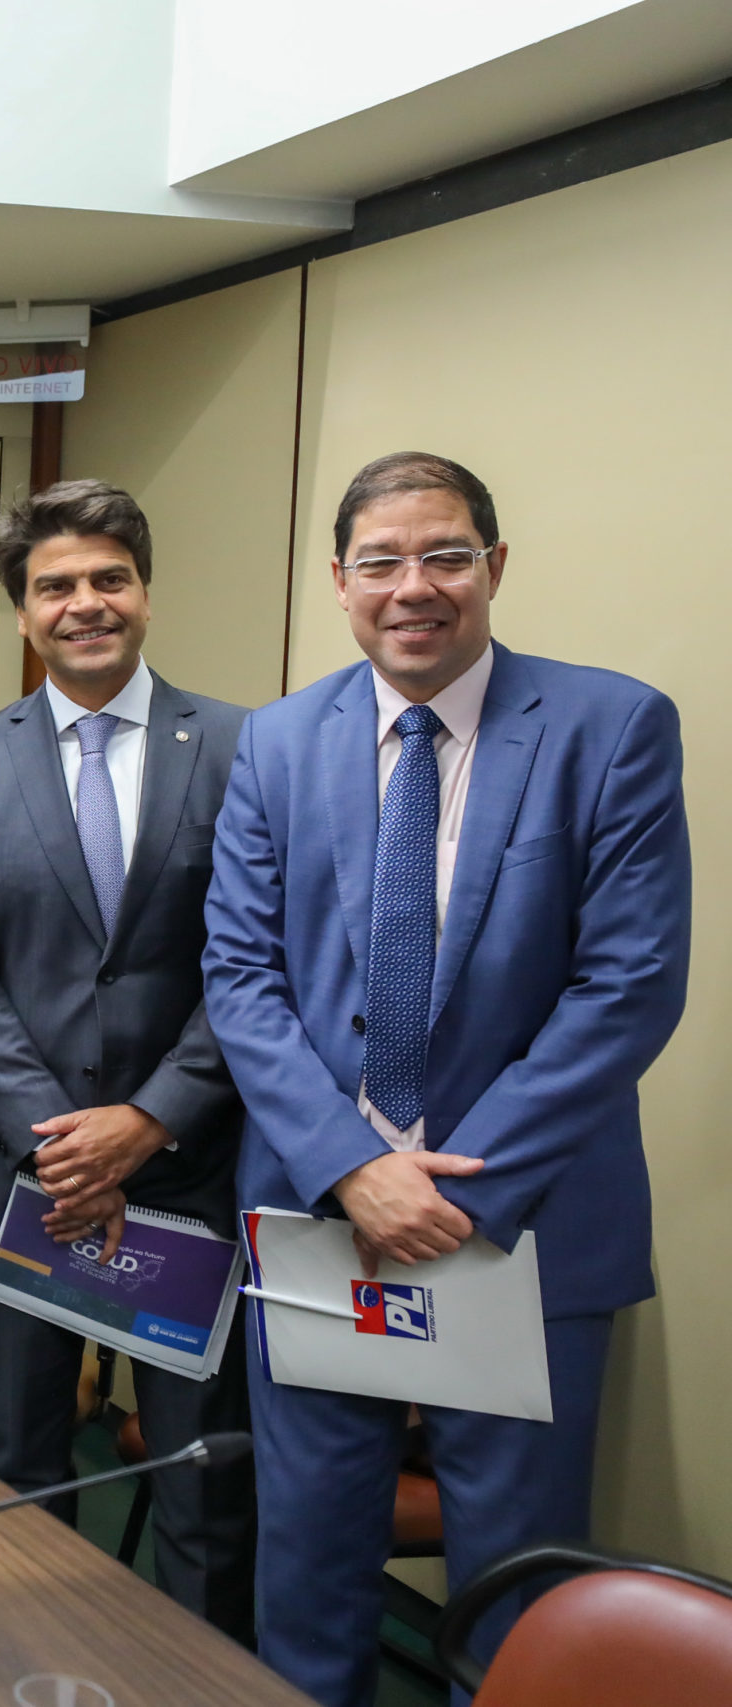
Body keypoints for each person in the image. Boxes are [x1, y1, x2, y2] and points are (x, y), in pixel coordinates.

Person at [203, 452, 690, 1706]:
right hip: (322, 1224)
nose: (412, 586)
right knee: (306, 1569)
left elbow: (627, 986)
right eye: (381, 562)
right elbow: (242, 978)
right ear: (338, 582)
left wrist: (454, 1191)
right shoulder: (277, 740)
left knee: (510, 1599)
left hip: (516, 1234)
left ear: (493, 567)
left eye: (443, 556)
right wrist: (355, 1168)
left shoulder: (609, 727)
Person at [0, 480, 253, 1638]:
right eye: (54, 586)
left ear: (146, 595)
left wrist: (146, 1121)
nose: (84, 604)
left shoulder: (243, 748)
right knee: (15, 1457)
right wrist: (62, 1141)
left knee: (202, 1479)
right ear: (21, 613)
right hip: (26, 1176)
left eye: (108, 579)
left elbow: (259, 965)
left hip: (187, 1170)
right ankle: (20, 1666)